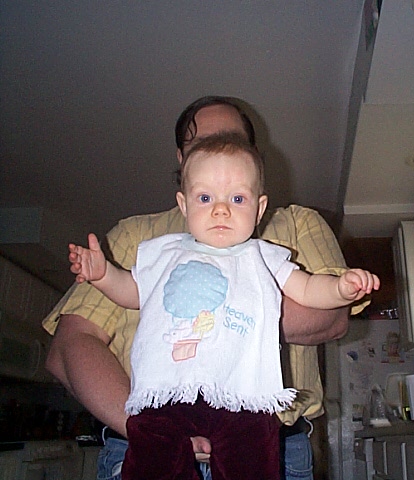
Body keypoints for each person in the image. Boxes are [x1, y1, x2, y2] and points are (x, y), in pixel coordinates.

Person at [43, 96, 368, 480]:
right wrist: (103, 276)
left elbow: (326, 309)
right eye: (201, 144)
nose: (221, 208)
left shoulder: (287, 234)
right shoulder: (144, 242)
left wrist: (339, 289)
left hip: (262, 435)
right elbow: (85, 332)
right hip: (150, 429)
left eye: (231, 141)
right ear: (183, 163)